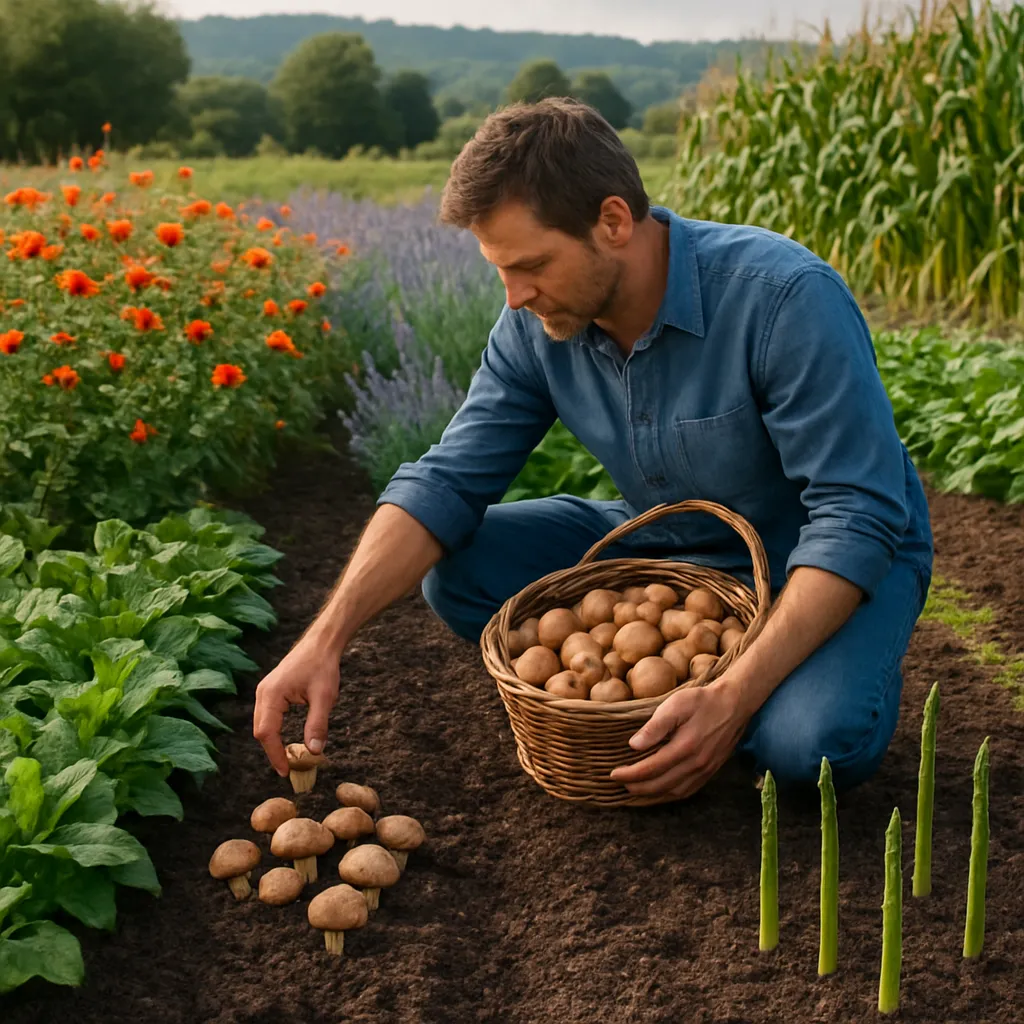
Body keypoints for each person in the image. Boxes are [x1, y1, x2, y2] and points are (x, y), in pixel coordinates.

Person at [253, 97, 933, 802]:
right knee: (456, 576)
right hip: (669, 546)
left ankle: (791, 680)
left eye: (531, 265)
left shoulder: (782, 298)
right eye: (499, 270)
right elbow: (447, 480)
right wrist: (325, 638)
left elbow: (855, 515)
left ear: (613, 221)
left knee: (810, 748)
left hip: (821, 555)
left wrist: (734, 693)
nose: (514, 297)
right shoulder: (536, 323)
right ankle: (704, 697)